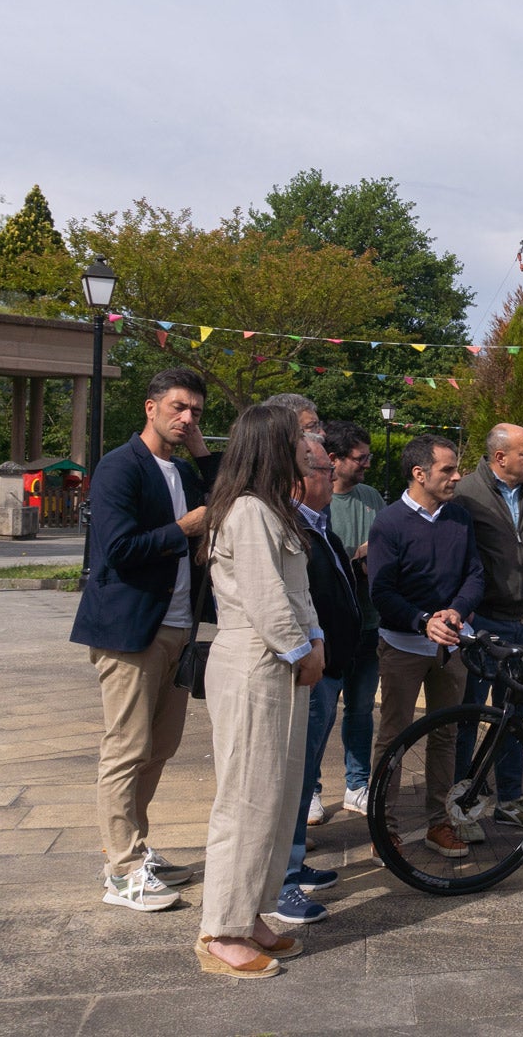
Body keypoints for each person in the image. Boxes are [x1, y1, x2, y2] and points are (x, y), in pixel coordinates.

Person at [70, 367, 218, 913]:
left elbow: (226, 492)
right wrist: (183, 530)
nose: (186, 418)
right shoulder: (119, 466)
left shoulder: (181, 471)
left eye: (196, 412)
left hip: (180, 626)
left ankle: (136, 846)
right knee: (127, 748)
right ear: (150, 408)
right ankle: (122, 869)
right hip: (131, 629)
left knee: (160, 748)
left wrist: (201, 451)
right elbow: (115, 548)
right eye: (178, 407)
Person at [195, 402, 324, 979]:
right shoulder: (247, 511)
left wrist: (311, 643)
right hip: (256, 663)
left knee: (274, 793)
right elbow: (266, 599)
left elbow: (296, 594)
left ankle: (249, 913)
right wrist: (303, 649)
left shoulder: (272, 508)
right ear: (273, 443)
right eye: (300, 436)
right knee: (246, 798)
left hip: (280, 665)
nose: (310, 442)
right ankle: (221, 929)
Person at [367, 434, 485, 858]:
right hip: (403, 647)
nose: (457, 476)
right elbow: (382, 593)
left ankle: (440, 822)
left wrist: (456, 610)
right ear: (420, 474)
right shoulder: (389, 523)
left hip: (452, 647)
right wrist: (423, 621)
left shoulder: (459, 517)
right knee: (394, 736)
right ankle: (385, 828)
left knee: (446, 735)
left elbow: (475, 573)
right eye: (448, 470)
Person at [271, 435, 363, 926]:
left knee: (305, 773)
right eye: (325, 470)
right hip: (310, 670)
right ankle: (280, 884)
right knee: (292, 779)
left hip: (331, 669)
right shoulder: (291, 529)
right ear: (297, 482)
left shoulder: (318, 525)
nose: (334, 477)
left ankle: (294, 860)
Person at [451, 423, 523, 830]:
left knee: (513, 713)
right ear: (500, 457)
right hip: (483, 621)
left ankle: (509, 797)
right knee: (468, 715)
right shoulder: (466, 493)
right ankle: (459, 803)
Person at [321, 420, 383, 816]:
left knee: (361, 710)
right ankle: (310, 788)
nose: (366, 465)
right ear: (334, 460)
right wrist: (354, 554)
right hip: (329, 629)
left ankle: (357, 784)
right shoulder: (315, 498)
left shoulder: (373, 497)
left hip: (369, 623)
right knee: (320, 713)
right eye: (360, 459)